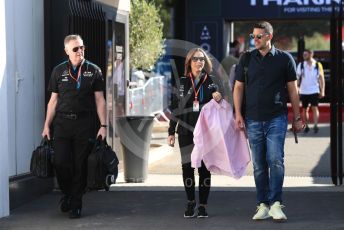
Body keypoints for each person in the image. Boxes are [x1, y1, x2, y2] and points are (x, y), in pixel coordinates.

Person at [233, 21, 303, 221]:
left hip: (276, 118)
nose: (254, 39)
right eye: (253, 36)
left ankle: (276, 204)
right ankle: (262, 204)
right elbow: (238, 88)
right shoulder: (246, 59)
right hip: (252, 118)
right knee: (259, 165)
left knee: (275, 160)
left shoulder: (284, 59)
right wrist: (238, 114)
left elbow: (293, 90)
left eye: (259, 36)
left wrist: (297, 117)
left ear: (269, 37)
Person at [41, 34, 106, 219]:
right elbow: (52, 101)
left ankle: (76, 204)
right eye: (76, 49)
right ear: (67, 51)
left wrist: (104, 125)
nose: (80, 51)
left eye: (82, 47)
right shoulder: (58, 71)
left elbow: (100, 100)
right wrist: (47, 125)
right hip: (62, 123)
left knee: (80, 165)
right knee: (60, 162)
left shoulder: (93, 71)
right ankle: (67, 194)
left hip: (84, 124)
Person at [167, 47, 223, 218]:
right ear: (189, 62)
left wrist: (219, 97)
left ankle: (203, 205)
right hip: (185, 131)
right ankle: (191, 202)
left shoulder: (210, 80)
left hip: (205, 132)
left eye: (202, 59)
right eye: (196, 59)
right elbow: (175, 108)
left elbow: (218, 100)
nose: (199, 62)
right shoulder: (181, 82)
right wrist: (171, 131)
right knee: (187, 168)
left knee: (205, 169)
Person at [296, 49, 325, 133]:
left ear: (311, 54)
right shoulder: (301, 65)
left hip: (314, 90)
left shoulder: (317, 64)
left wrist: (322, 90)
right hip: (304, 90)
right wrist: (297, 88)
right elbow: (297, 78)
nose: (304, 56)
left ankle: (315, 125)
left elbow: (321, 78)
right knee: (305, 109)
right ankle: (307, 125)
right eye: (303, 55)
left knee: (314, 107)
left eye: (306, 54)